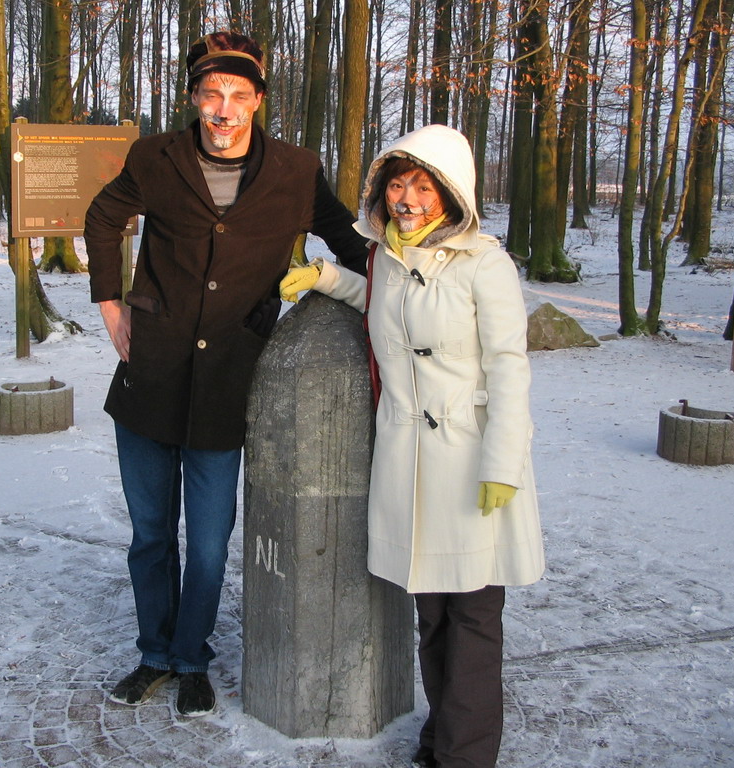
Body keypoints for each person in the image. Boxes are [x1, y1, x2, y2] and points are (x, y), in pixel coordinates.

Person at [83, 31, 369, 718]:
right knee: (151, 535)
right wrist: (109, 304)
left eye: (239, 95)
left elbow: (347, 238)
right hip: (150, 375)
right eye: (212, 94)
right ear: (193, 98)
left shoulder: (296, 172)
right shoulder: (157, 158)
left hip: (229, 384)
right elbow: (103, 216)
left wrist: (409, 276)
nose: (224, 109)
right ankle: (154, 653)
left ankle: (191, 658)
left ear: (259, 101)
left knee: (208, 544)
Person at [280, 125, 545, 767]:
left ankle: (465, 755)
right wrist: (325, 277)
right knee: (431, 618)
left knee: (474, 622)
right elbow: (380, 304)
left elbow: (510, 365)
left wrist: (504, 464)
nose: (407, 198)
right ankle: (439, 738)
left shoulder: (485, 263)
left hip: (472, 462)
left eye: (422, 186)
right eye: (397, 184)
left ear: (451, 194)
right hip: (407, 465)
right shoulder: (387, 260)